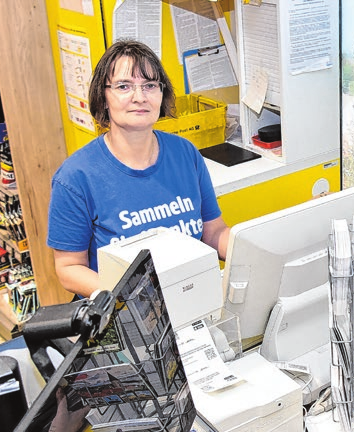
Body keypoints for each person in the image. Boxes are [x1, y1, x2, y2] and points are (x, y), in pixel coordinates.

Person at [47, 40, 230, 298]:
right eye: (124, 86)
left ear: (161, 94)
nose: (139, 97)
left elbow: (213, 232)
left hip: (190, 295)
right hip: (121, 314)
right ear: (104, 97)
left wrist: (250, 249)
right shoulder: (75, 177)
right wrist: (122, 297)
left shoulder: (185, 153)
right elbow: (69, 268)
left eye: (150, 85)